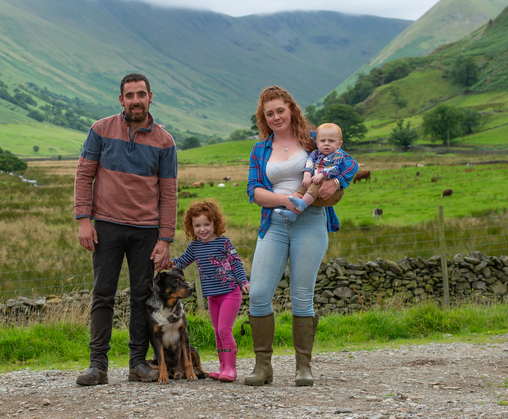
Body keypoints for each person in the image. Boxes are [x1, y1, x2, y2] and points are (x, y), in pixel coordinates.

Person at [246, 86, 358, 387]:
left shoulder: (312, 139)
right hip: (274, 224)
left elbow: (347, 162)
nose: (275, 117)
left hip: (311, 222)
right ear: (263, 117)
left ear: (291, 109)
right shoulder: (260, 150)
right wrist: (285, 201)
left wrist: (336, 181)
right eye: (269, 113)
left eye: (280, 110)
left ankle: (303, 368)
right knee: (257, 295)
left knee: (301, 296)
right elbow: (254, 192)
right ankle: (262, 367)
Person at [73, 73, 178, 386]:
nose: (136, 100)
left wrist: (165, 239)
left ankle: (136, 363)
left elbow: (169, 191)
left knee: (142, 297)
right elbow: (83, 175)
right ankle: (98, 365)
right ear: (121, 99)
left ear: (150, 97)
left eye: (141, 94)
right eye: (129, 95)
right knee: (102, 294)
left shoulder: (164, 141)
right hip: (106, 225)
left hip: (146, 231)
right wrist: (83, 220)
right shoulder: (100, 130)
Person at [160, 200, 250, 382]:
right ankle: (222, 367)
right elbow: (182, 261)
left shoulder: (224, 243)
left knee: (225, 329)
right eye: (197, 225)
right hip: (213, 296)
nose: (202, 229)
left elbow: (236, 263)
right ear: (191, 226)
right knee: (217, 331)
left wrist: (243, 281)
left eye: (207, 224)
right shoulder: (195, 246)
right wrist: (169, 262)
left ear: (215, 223)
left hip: (230, 292)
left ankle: (231, 369)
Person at [274, 123, 348, 222]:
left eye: (331, 141)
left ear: (339, 144)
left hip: (332, 193)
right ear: (317, 143)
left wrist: (322, 175)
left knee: (316, 183)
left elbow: (337, 168)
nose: (326, 144)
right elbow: (309, 163)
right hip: (315, 188)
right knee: (302, 189)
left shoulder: (338, 155)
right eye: (323, 141)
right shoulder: (314, 154)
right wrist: (307, 175)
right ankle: (293, 214)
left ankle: (302, 204)